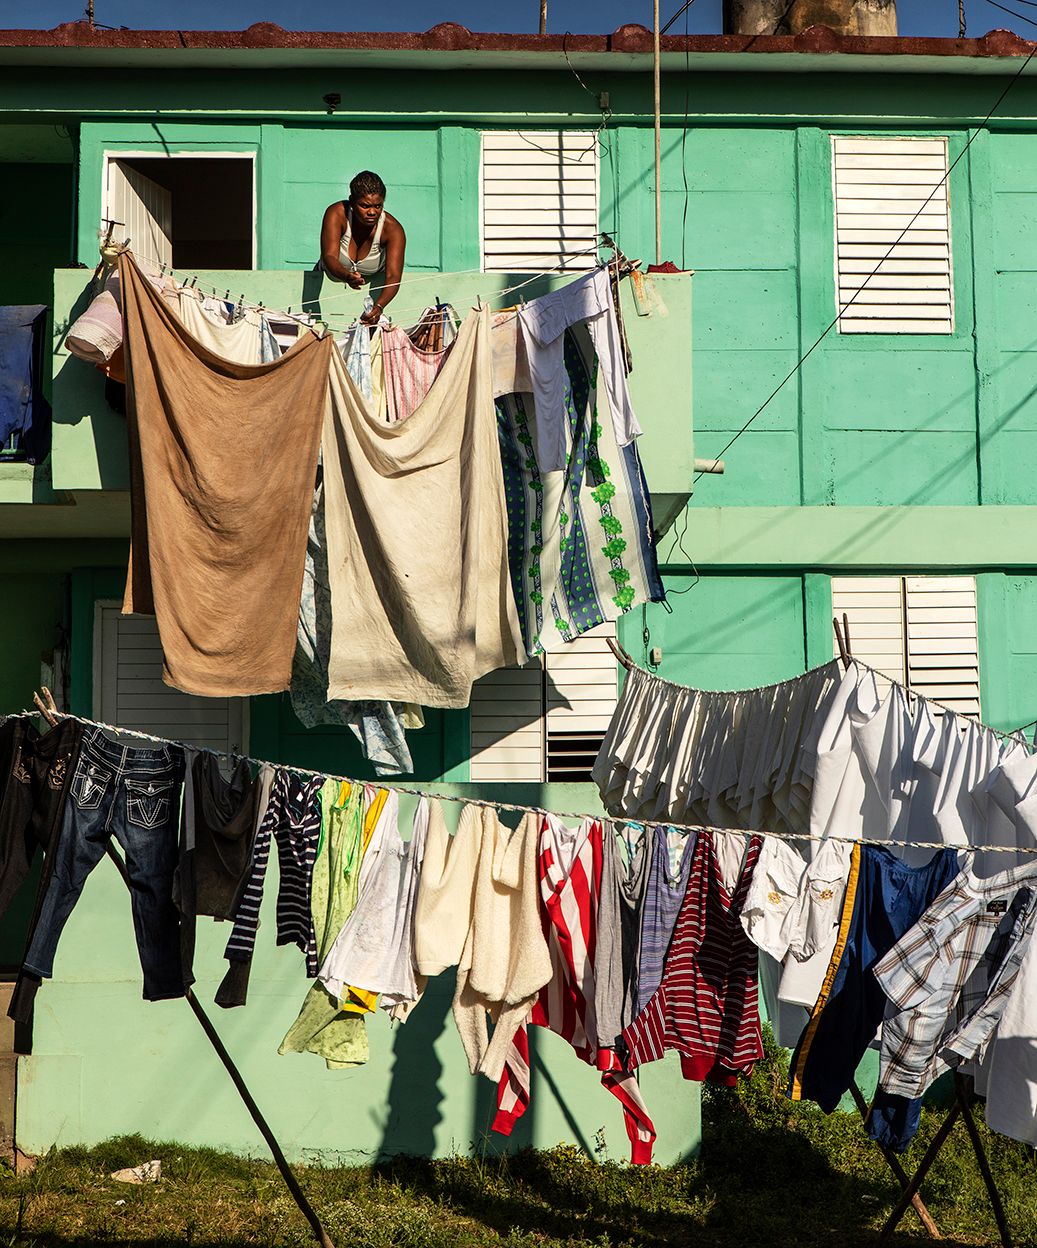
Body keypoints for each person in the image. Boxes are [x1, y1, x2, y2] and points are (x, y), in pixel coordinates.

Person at [320, 171, 406, 326]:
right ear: (352, 202)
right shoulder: (336, 214)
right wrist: (346, 275)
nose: (372, 212)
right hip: (330, 296)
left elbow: (393, 276)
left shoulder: (393, 230)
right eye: (365, 206)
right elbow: (329, 256)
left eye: (378, 206)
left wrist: (379, 307)